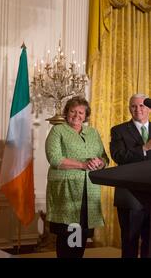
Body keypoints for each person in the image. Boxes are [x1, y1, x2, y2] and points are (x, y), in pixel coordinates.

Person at [45, 96, 108, 258]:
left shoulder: (92, 132)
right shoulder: (58, 130)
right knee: (68, 232)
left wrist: (99, 162)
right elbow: (54, 159)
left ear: (86, 115)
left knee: (81, 232)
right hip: (66, 190)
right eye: (73, 111)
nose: (77, 115)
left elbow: (104, 158)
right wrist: (83, 164)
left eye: (81, 112)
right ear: (67, 112)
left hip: (89, 190)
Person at [110, 93, 151, 258]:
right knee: (130, 240)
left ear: (148, 108)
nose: (138, 109)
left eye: (142, 105)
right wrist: (144, 148)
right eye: (134, 106)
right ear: (129, 109)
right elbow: (118, 156)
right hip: (129, 194)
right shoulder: (118, 130)